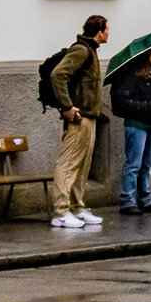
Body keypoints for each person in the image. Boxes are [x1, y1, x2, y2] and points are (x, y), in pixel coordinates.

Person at [49, 15, 108, 228]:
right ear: (99, 31)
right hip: (78, 118)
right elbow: (58, 75)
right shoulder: (82, 50)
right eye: (107, 29)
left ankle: (76, 207)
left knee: (82, 166)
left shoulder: (90, 50)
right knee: (69, 164)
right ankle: (60, 212)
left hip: (89, 118)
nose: (108, 33)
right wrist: (66, 106)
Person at [110, 48, 151, 214]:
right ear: (146, 56)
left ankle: (145, 200)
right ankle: (128, 201)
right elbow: (126, 101)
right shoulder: (131, 77)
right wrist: (146, 107)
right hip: (136, 125)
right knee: (133, 164)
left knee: (147, 165)